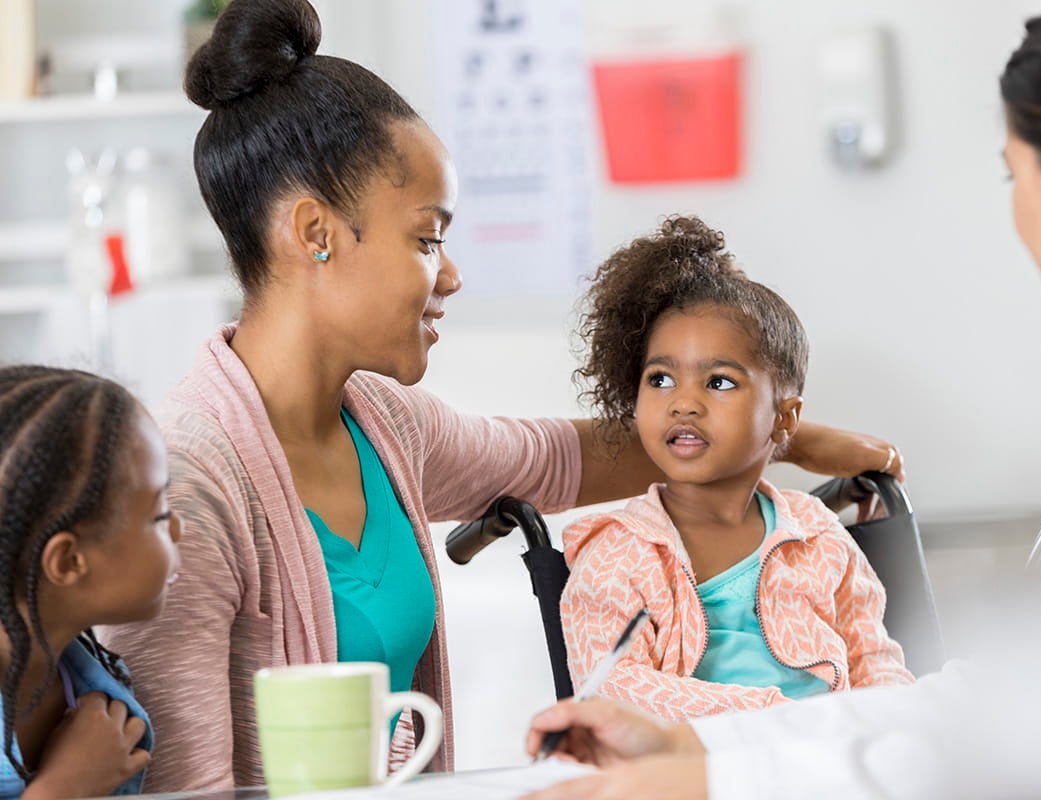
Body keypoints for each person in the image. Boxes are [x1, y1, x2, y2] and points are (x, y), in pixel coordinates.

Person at [97, 0, 904, 791]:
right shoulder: (187, 485)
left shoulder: (384, 426)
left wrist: (778, 437)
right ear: (316, 234)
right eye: (427, 237)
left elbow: (566, 456)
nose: (450, 274)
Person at [521, 0, 1041, 796]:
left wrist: (720, 770)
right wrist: (715, 756)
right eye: (662, 379)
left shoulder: (816, 538)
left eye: (1014, 174)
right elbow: (1012, 700)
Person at [559, 216, 913, 724]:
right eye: (660, 379)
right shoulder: (618, 552)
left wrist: (895, 727)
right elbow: (613, 686)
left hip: (827, 762)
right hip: (696, 768)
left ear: (785, 417)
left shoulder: (817, 536)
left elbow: (872, 660)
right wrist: (772, 717)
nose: (683, 403)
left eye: (719, 383)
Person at [0, 366, 184, 798]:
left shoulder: (94, 688)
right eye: (158, 514)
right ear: (68, 560)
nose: (179, 528)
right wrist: (62, 788)